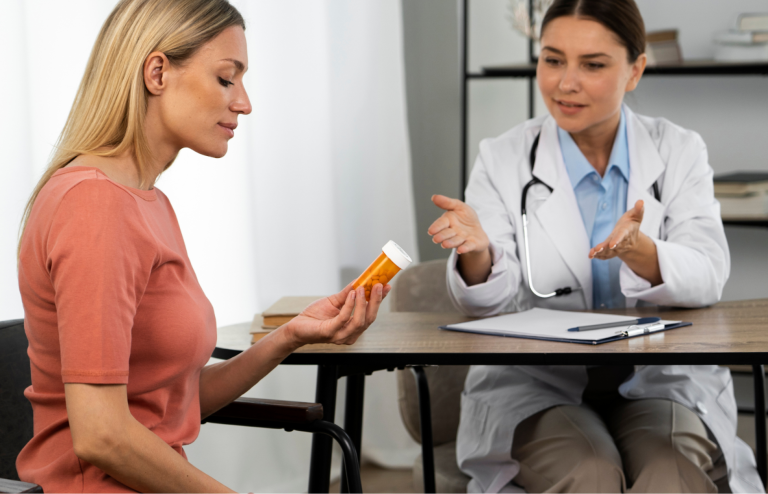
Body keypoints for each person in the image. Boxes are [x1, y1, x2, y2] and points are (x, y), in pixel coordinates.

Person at [15, 1, 389, 492]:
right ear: (156, 73)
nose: (244, 103)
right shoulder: (94, 207)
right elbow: (102, 437)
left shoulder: (147, 203)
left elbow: (170, 402)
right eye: (226, 78)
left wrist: (289, 337)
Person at [428, 0, 760, 492]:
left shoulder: (679, 149)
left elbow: (708, 272)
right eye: (553, 59)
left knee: (670, 472)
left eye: (594, 64)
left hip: (662, 378)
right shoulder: (502, 158)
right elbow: (490, 301)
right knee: (591, 472)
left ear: (635, 70)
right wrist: (477, 253)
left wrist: (640, 251)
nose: (565, 82)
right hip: (535, 383)